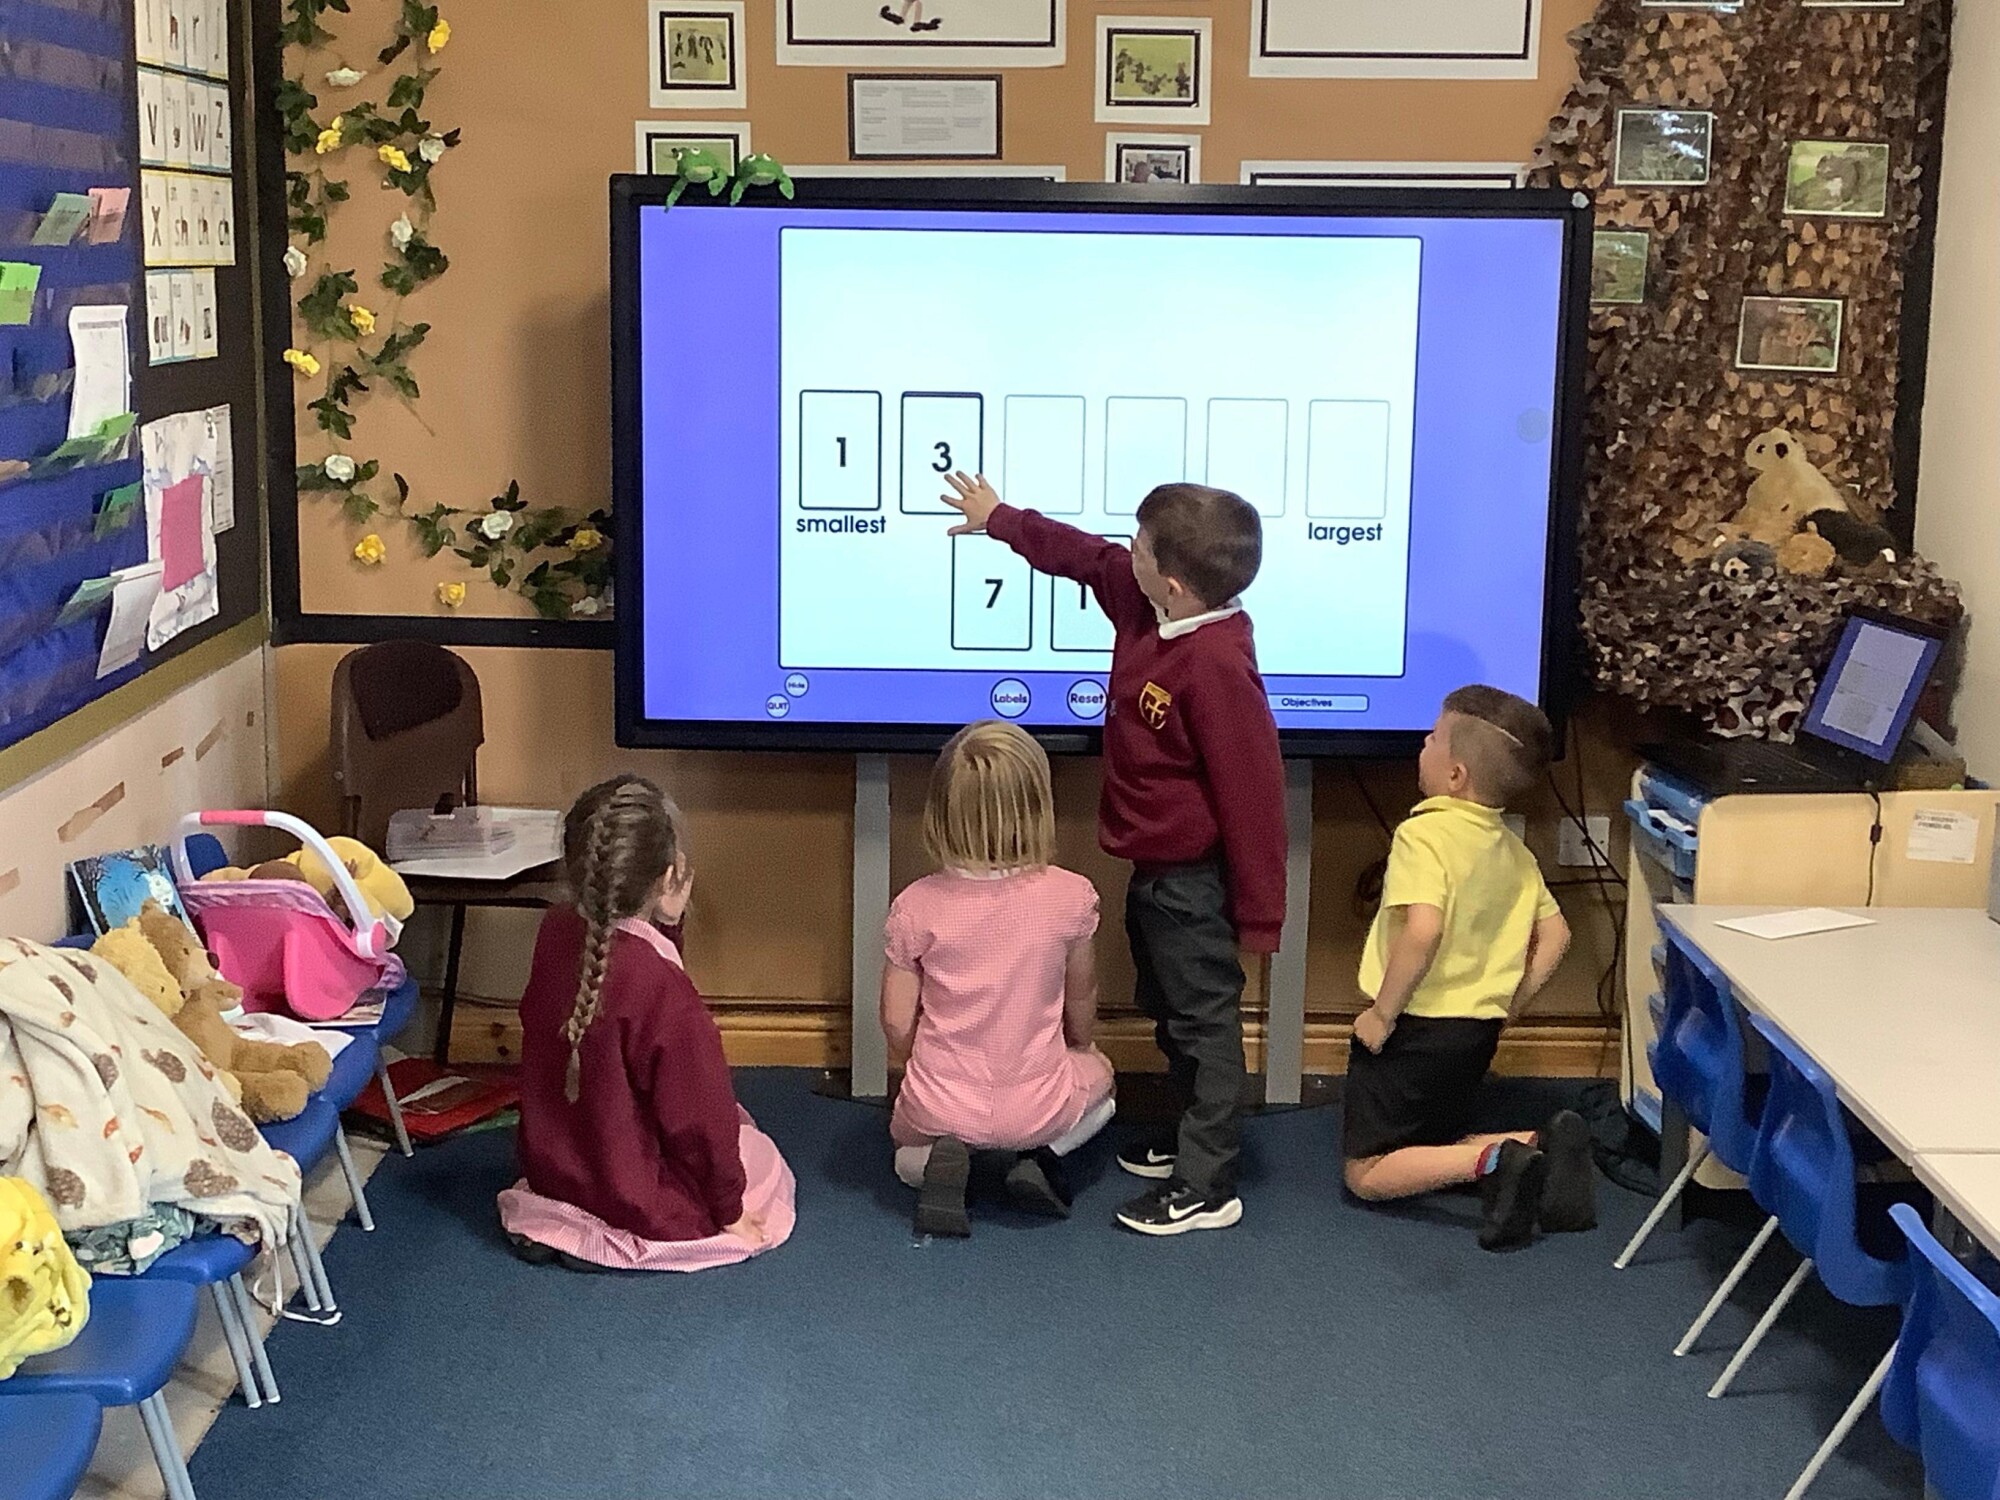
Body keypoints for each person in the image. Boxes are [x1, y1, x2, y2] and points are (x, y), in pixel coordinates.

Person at [940, 472, 1285, 1237]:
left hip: (1194, 884)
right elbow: (1085, 556)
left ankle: (1208, 1183)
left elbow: (1255, 796)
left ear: (1173, 583)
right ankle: (1189, 1136)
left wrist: (1260, 916)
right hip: (1154, 875)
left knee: (1204, 1026)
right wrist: (1002, 519)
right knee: (1168, 1008)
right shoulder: (1144, 603)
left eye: (1139, 545)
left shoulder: (1216, 664)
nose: (1124, 550)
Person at [498, 774, 795, 1271]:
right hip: (638, 1195)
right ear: (669, 876)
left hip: (556, 1172)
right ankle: (610, 1237)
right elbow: (700, 1119)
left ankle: (570, 1227)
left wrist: (667, 927)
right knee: (760, 1157)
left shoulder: (555, 932)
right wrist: (730, 1210)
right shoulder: (662, 989)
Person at [1342, 686, 1596, 1251]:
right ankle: (1540, 1143)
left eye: (1433, 737)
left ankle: (1494, 1160)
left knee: (1366, 1171)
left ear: (1455, 775)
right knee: (1434, 1136)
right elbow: (1557, 933)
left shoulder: (1422, 835)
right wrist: (1511, 1006)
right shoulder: (1513, 849)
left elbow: (1423, 930)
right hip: (1476, 1032)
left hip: (1416, 1027)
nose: (1423, 742)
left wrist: (1382, 1015)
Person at [883, 720, 1116, 1236]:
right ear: (1038, 808)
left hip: (938, 1104)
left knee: (904, 1153)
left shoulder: (916, 905)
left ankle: (943, 1164)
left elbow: (896, 1021)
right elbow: (1082, 996)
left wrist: (917, 1066)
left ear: (940, 812)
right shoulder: (1071, 897)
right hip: (1038, 1105)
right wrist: (1083, 1047)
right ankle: (1035, 1157)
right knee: (1104, 1089)